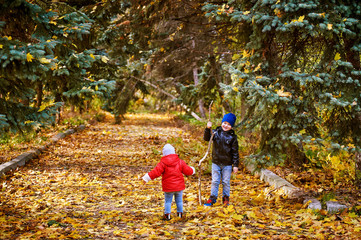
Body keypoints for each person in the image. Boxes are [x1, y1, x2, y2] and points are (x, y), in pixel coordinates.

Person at [142, 143, 195, 220]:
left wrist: (146, 178)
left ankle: (167, 215)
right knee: (179, 201)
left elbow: (155, 172)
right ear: (174, 152)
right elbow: (188, 170)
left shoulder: (162, 163)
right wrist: (193, 170)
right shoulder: (180, 162)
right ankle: (180, 213)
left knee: (168, 201)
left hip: (168, 187)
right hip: (179, 187)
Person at [203, 112, 239, 206]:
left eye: (229, 124)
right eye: (225, 123)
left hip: (227, 164)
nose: (226, 125)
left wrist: (235, 165)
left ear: (232, 126)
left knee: (226, 182)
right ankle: (212, 198)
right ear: (222, 122)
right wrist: (208, 129)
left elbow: (235, 152)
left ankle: (226, 198)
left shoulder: (233, 137)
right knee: (215, 181)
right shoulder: (215, 132)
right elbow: (206, 138)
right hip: (216, 162)